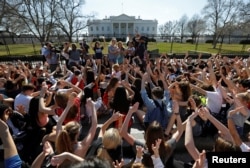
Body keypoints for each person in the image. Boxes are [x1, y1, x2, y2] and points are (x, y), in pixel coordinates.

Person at [120, 100, 184, 167]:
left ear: (147, 135)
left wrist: (130, 112)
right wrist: (177, 113)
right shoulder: (167, 148)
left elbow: (123, 133)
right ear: (162, 135)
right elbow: (180, 131)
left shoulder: (141, 148)